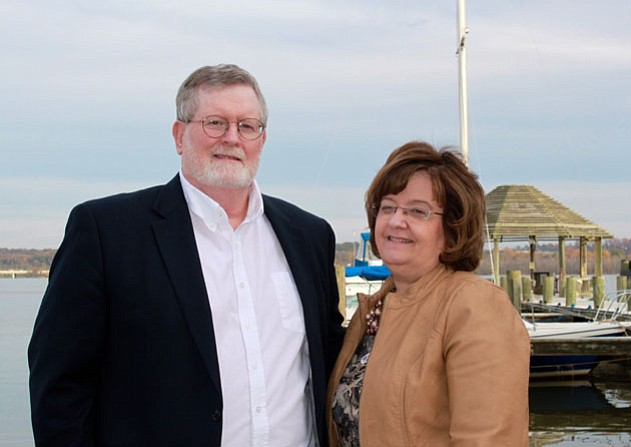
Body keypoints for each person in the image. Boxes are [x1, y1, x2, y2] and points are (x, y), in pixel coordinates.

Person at [28, 64, 344, 447]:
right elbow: (59, 387)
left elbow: (329, 358)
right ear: (180, 136)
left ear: (262, 139)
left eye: (247, 126)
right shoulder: (106, 232)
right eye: (215, 123)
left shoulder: (308, 236)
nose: (232, 138)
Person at [326, 141, 530, 446]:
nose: (396, 220)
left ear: (452, 230)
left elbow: (487, 439)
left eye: (417, 211)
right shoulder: (374, 309)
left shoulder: (474, 306)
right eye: (388, 207)